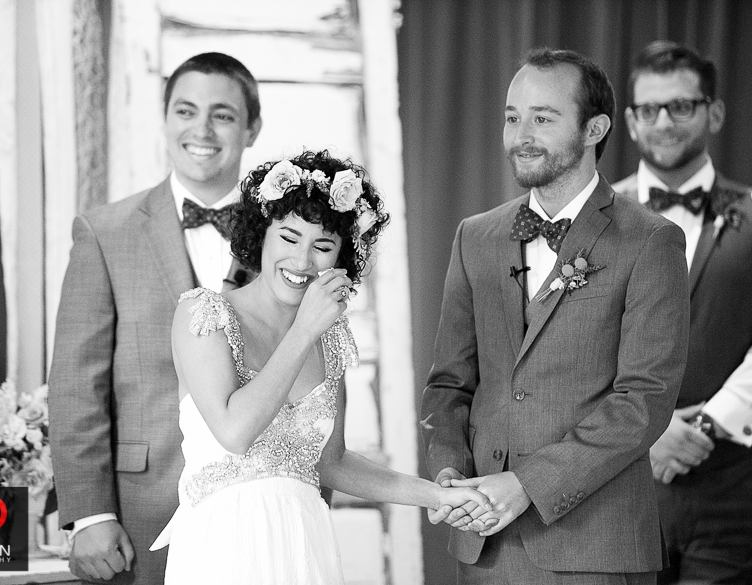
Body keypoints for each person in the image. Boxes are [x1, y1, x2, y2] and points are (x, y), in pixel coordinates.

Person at [149, 150, 493, 584]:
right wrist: (303, 331)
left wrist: (437, 495)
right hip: (225, 543)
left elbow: (332, 463)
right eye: (289, 238)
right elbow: (235, 433)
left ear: (342, 258)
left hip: (304, 541)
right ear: (262, 234)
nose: (302, 261)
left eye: (323, 246)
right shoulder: (204, 314)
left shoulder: (329, 339)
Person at [420, 47, 691, 584]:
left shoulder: (652, 240)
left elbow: (643, 401)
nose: (522, 133)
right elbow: (450, 382)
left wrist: (525, 484)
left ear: (595, 129)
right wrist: (448, 474)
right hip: (486, 545)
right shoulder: (474, 236)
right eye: (513, 117)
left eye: (543, 118)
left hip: (595, 545)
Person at [48, 52, 263, 584]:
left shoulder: (288, 239)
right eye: (185, 111)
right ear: (165, 120)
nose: (202, 129)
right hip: (143, 506)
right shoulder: (105, 233)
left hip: (262, 498)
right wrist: (91, 514)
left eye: (223, 114)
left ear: (252, 128)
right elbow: (77, 383)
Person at [613, 41, 752, 585]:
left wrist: (706, 427)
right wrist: (648, 433)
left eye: (681, 106)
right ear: (628, 122)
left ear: (713, 112)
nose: (664, 122)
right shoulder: (591, 219)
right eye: (649, 110)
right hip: (618, 490)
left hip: (736, 493)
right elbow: (568, 351)